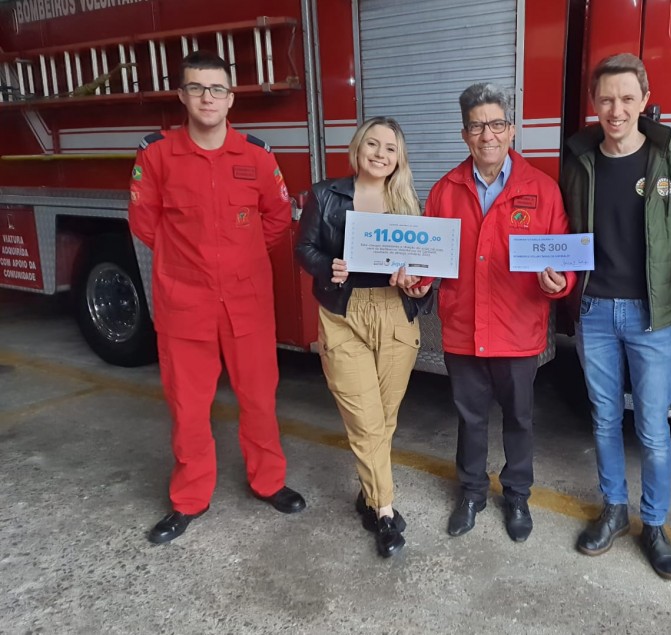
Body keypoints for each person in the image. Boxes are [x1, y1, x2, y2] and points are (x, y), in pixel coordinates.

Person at [129, 51, 306, 545]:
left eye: (217, 89)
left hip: (247, 303)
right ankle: (189, 499)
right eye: (197, 88)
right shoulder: (157, 155)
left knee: (258, 400)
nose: (208, 97)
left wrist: (238, 259)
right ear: (182, 95)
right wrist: (189, 268)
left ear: (231, 99)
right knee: (188, 406)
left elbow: (276, 218)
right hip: (184, 305)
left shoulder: (256, 156)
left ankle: (268, 482)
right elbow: (145, 223)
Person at [559, 53, 671, 579]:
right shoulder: (578, 159)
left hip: (652, 316)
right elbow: (564, 231)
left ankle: (655, 525)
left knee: (652, 428)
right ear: (594, 104)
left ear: (645, 99)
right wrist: (557, 274)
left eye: (626, 98)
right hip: (594, 310)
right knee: (602, 418)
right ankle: (614, 510)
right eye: (605, 99)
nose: (615, 109)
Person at [422, 83, 576, 542]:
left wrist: (560, 283)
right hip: (464, 329)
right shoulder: (445, 190)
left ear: (511, 130)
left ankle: (516, 495)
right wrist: (418, 278)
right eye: (476, 126)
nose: (486, 135)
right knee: (469, 419)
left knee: (519, 419)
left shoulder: (542, 190)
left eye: (495, 124)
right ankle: (470, 492)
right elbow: (432, 259)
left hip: (517, 330)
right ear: (465, 134)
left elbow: (562, 258)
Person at [294, 117, 431, 558]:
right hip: (344, 314)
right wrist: (326, 267)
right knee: (367, 421)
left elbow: (428, 263)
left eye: (390, 148)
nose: (379, 154)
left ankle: (368, 491)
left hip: (395, 313)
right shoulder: (325, 194)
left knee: (385, 418)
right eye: (372, 144)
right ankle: (385, 512)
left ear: (399, 159)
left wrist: (421, 284)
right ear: (358, 147)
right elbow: (304, 248)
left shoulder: (409, 201)